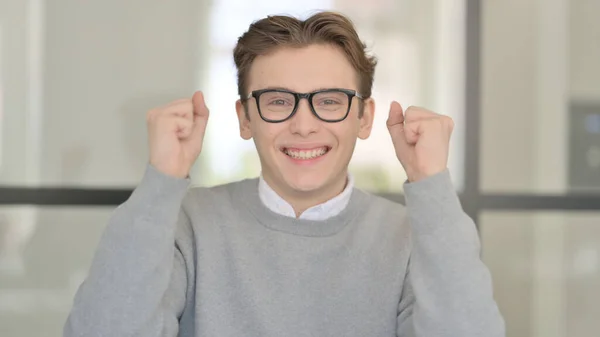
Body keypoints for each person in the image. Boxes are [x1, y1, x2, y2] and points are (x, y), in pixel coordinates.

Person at [63, 11, 505, 337]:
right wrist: (160, 182)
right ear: (245, 118)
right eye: (278, 100)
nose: (304, 124)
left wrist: (432, 186)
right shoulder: (185, 223)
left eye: (329, 100)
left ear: (364, 117)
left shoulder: (414, 237)